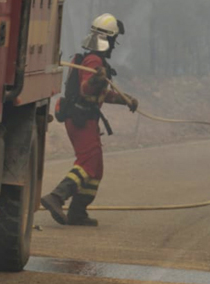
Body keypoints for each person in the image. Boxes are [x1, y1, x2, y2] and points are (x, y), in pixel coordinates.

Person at [41, 13, 138, 226]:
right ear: (108, 39)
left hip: (85, 119)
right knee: (87, 163)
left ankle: (77, 212)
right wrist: (95, 78)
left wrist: (126, 100)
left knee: (96, 169)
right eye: (113, 41)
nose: (114, 46)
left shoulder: (94, 60)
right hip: (81, 119)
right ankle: (57, 196)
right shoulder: (93, 61)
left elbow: (102, 95)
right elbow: (86, 89)